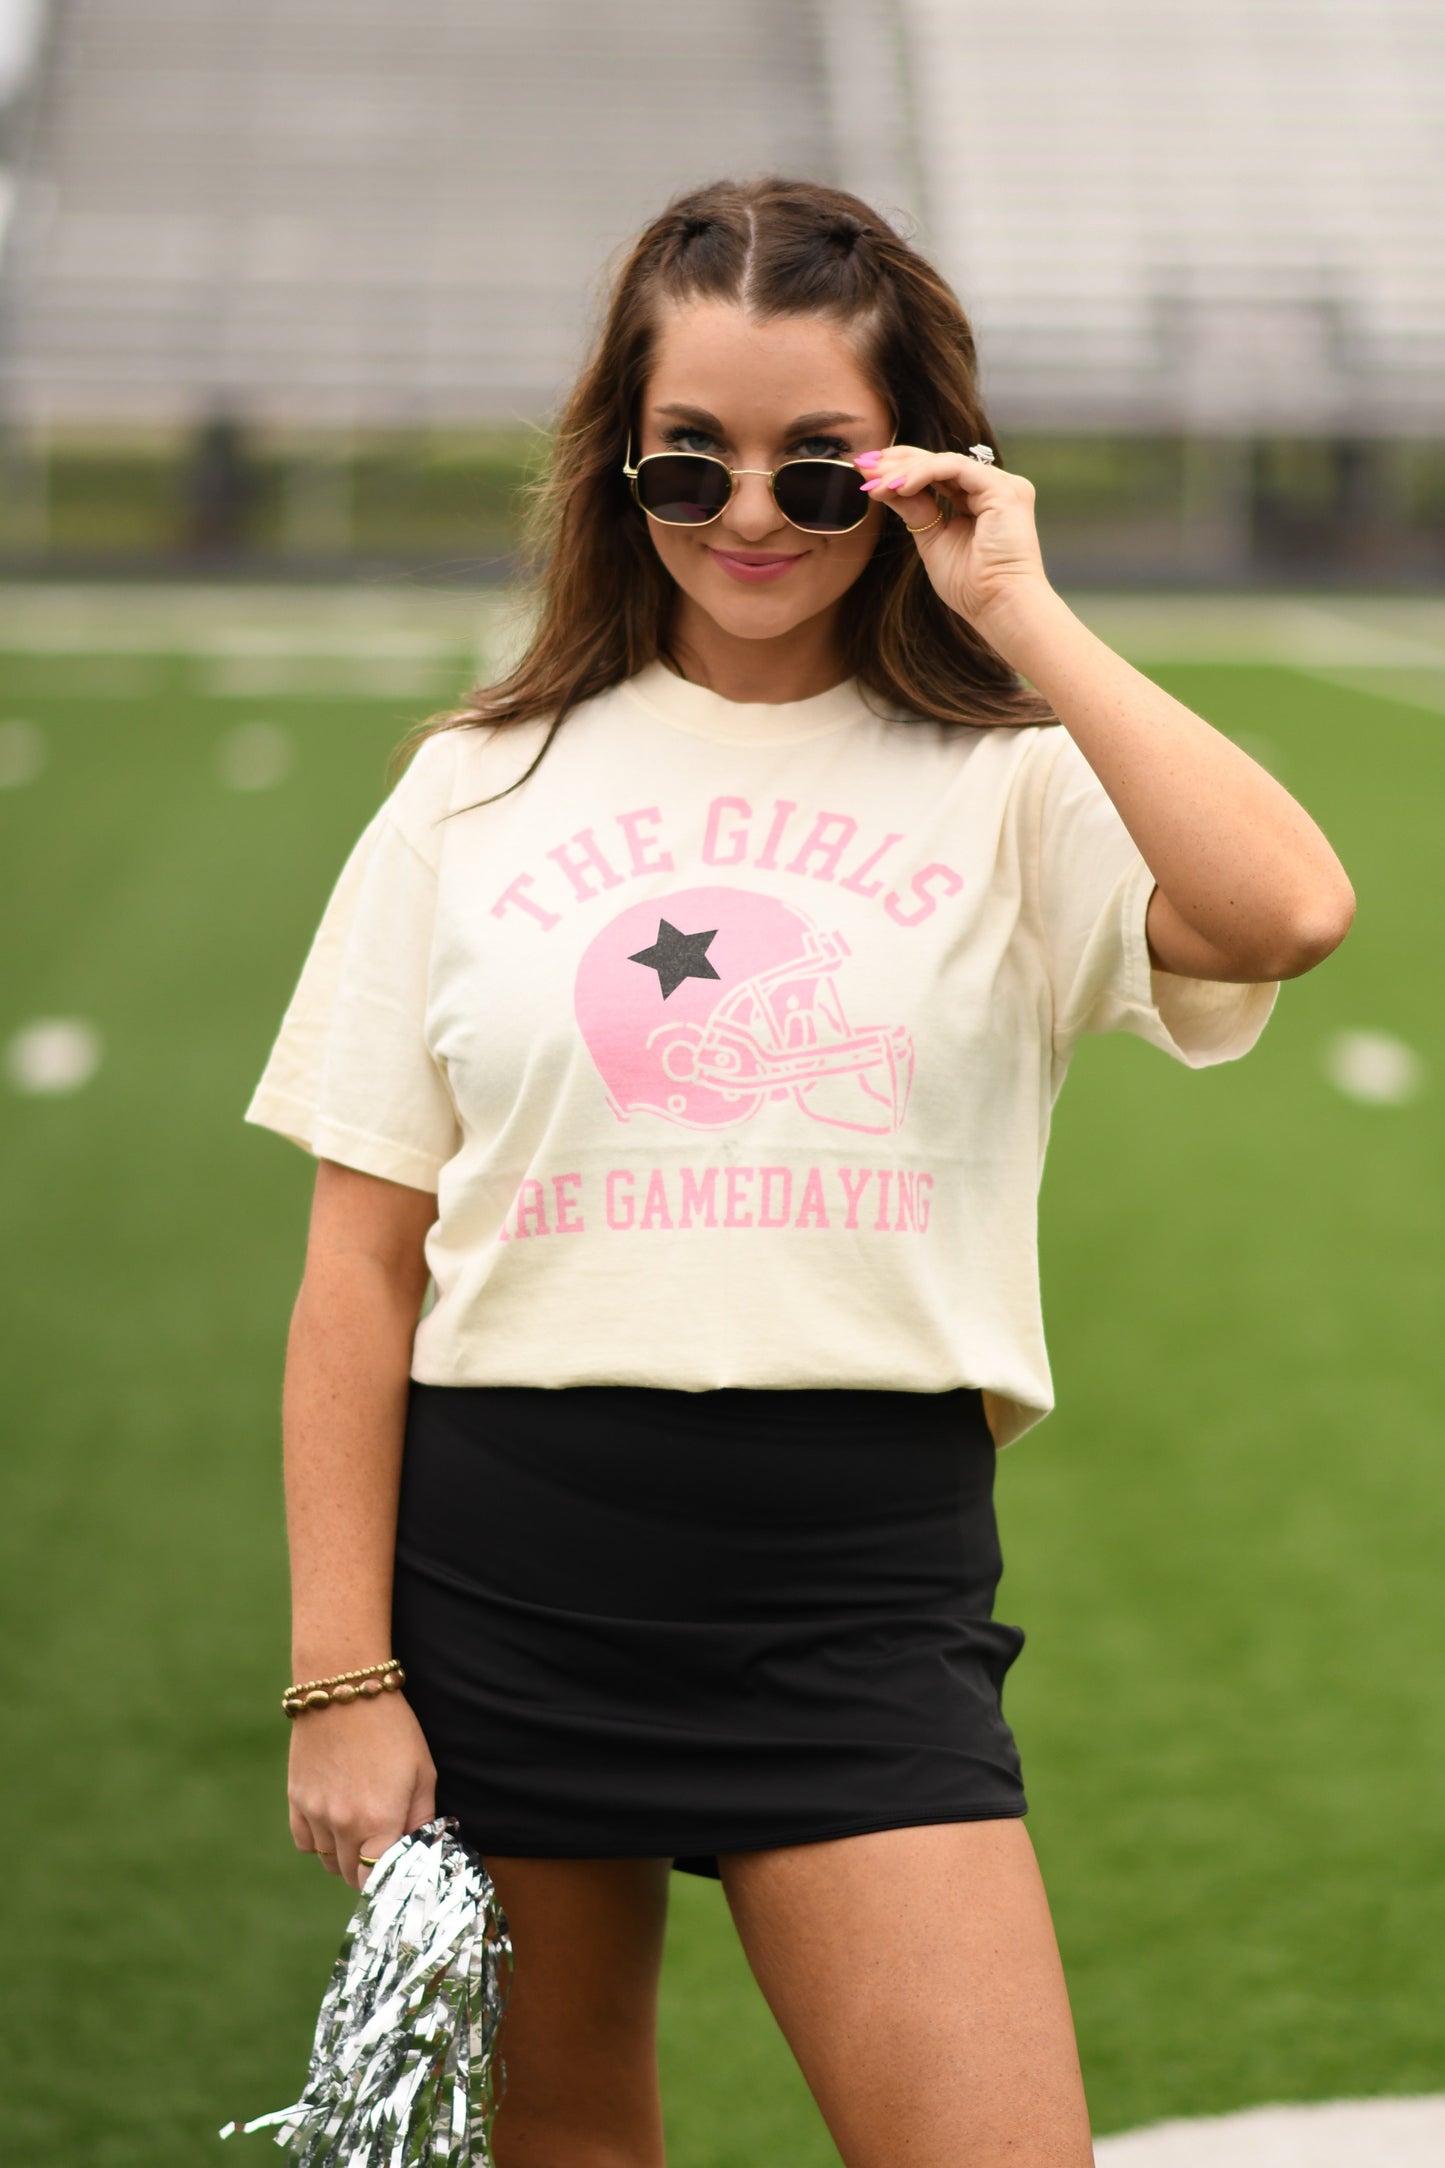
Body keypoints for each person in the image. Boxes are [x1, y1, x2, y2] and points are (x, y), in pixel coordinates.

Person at [243, 177, 1355, 2168]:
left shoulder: (1012, 782)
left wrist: (1019, 605)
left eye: (819, 469)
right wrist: (344, 1673)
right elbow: (360, 1265)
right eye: (694, 463)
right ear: (621, 469)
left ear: (914, 463)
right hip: (510, 1567)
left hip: (855, 1582)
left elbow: (1285, 909)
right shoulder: (471, 786)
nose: (752, 516)